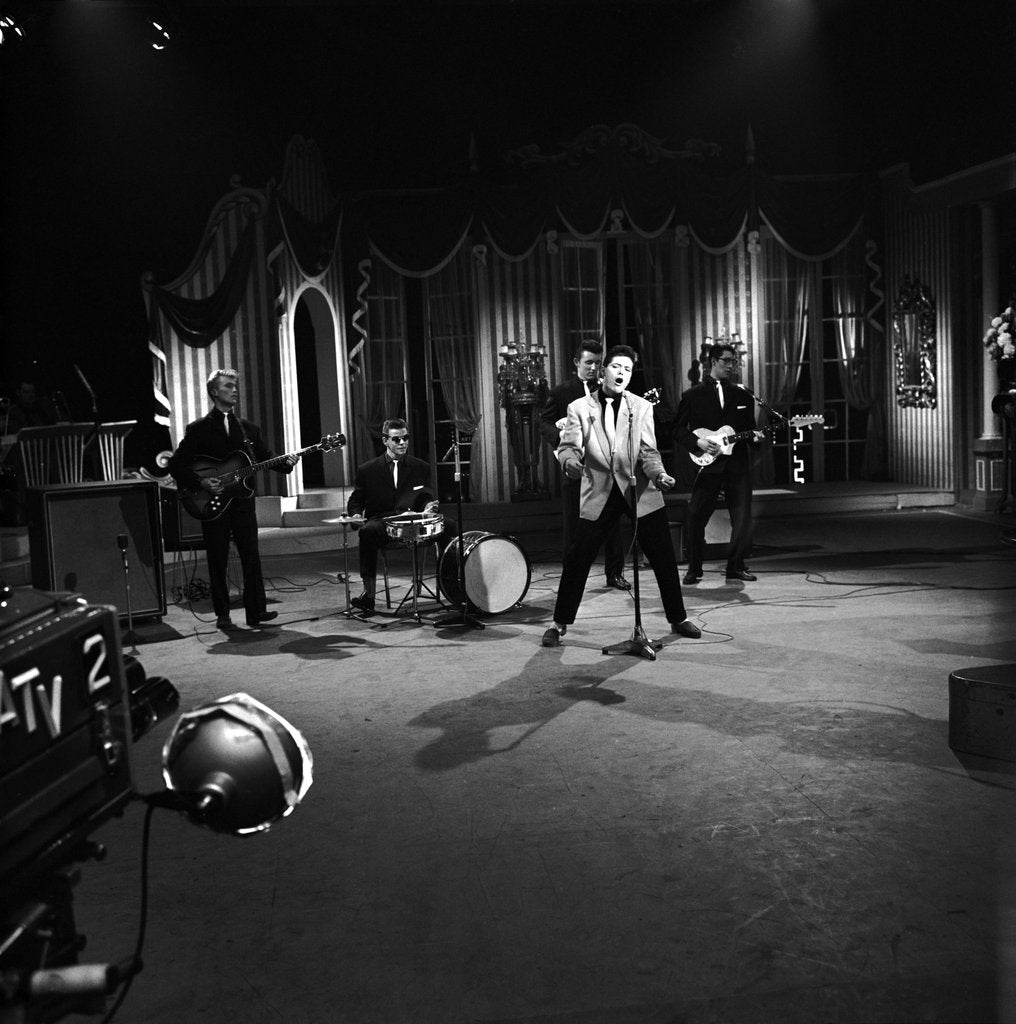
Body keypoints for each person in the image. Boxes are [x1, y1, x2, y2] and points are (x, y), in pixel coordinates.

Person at [541, 345, 700, 647]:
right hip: (600, 490)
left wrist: (659, 475)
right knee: (578, 558)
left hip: (638, 490)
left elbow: (649, 453)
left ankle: (678, 617)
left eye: (627, 370)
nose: (622, 374)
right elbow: (568, 447)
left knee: (663, 556)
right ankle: (558, 623)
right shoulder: (578, 408)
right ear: (603, 371)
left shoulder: (641, 407)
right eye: (617, 367)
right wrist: (570, 462)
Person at [168, 368, 298, 630]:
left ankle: (256, 612)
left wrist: (287, 463)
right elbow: (176, 465)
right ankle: (222, 614)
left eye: (236, 385)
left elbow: (265, 457)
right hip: (212, 503)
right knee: (218, 558)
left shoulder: (248, 428)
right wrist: (202, 482)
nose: (235, 389)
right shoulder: (198, 429)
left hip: (242, 502)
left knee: (251, 555)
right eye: (229, 385)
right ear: (215, 391)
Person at [538, 341, 629, 591]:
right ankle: (572, 577)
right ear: (577, 363)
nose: (593, 367)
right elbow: (544, 423)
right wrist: (563, 438)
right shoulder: (561, 392)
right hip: (576, 468)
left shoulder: (610, 390)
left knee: (612, 526)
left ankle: (615, 574)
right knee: (574, 528)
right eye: (588, 362)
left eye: (598, 363)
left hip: (605, 468)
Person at [674, 342, 764, 585]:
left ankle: (736, 566)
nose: (731, 366)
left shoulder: (743, 394)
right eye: (726, 361)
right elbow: (678, 430)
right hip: (708, 465)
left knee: (741, 518)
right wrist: (698, 443)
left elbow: (749, 430)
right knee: (695, 516)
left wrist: (756, 438)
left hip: (737, 465)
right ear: (712, 362)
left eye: (733, 361)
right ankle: (694, 568)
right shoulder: (692, 396)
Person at [346, 418, 441, 615]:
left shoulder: (420, 467)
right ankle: (369, 595)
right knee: (367, 532)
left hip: (413, 521)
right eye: (396, 439)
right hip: (383, 522)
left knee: (449, 526)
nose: (402, 443)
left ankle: (456, 589)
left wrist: (428, 506)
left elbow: (425, 496)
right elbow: (356, 501)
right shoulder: (368, 470)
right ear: (385, 441)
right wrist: (355, 514)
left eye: (405, 438)